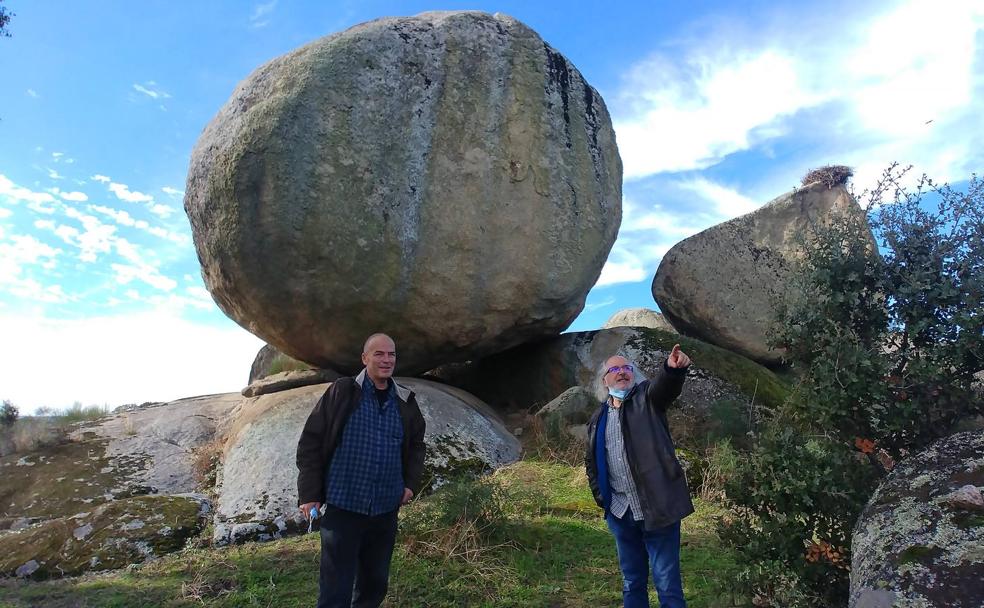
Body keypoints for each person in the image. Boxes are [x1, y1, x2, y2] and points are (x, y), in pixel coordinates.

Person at [296, 333, 426, 608]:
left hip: (385, 508)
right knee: (335, 588)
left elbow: (416, 446)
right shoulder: (342, 392)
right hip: (345, 505)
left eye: (391, 354)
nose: (386, 360)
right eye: (379, 354)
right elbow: (311, 442)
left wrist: (410, 484)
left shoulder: (405, 401)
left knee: (374, 584)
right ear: (364, 358)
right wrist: (310, 494)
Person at [585, 344, 693, 608]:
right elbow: (592, 464)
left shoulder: (648, 399)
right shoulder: (597, 419)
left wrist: (672, 370)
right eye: (615, 369)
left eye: (627, 368)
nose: (622, 372)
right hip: (622, 514)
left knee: (667, 583)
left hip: (659, 508)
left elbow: (664, 387)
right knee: (631, 582)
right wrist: (604, 501)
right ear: (604, 380)